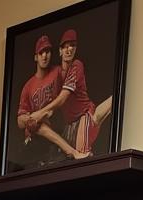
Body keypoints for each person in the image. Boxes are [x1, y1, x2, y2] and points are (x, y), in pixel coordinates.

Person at [28, 29, 113, 158]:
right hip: (70, 124)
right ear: (60, 51)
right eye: (65, 47)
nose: (69, 50)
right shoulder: (56, 74)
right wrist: (34, 123)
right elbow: (51, 106)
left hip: (84, 115)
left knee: (82, 155)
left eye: (72, 46)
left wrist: (39, 114)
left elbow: (62, 98)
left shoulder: (76, 65)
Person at [16, 35, 86, 162]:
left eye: (47, 51)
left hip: (56, 130)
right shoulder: (28, 86)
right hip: (35, 138)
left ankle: (71, 151)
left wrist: (44, 112)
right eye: (41, 52)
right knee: (37, 123)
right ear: (35, 57)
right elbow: (20, 121)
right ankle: (71, 151)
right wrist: (31, 118)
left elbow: (66, 93)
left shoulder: (58, 72)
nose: (44, 56)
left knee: (44, 118)